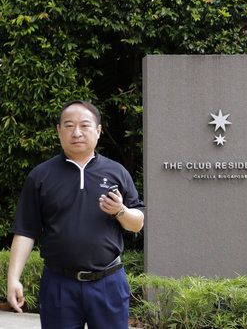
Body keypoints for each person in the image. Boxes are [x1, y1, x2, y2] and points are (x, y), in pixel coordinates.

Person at [7, 100, 145, 328]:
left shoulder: (116, 172)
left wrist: (120, 211)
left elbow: (137, 224)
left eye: (85, 125)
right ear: (59, 131)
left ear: (98, 131)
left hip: (108, 283)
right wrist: (13, 278)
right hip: (59, 285)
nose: (77, 133)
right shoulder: (40, 176)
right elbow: (25, 230)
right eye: (69, 126)